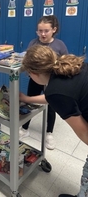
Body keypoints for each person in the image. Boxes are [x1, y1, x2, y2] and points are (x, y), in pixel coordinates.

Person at [20, 44, 88, 197]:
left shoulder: (56, 92)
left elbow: (84, 133)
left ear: (33, 74)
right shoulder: (70, 65)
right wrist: (27, 98)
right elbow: (55, 94)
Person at [20, 15, 68, 150]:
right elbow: (27, 60)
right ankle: (24, 128)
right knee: (29, 103)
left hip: (52, 81)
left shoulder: (59, 45)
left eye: (46, 31)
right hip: (35, 80)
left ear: (54, 29)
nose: (42, 34)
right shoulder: (33, 43)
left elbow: (64, 63)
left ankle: (49, 133)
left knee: (51, 105)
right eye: (39, 31)